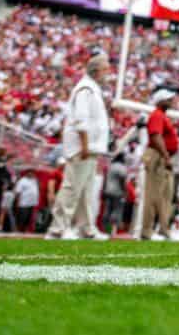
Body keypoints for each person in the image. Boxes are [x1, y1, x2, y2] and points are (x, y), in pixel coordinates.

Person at [48, 54, 110, 240]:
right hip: (83, 148)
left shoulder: (92, 89)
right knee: (72, 188)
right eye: (106, 69)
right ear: (98, 70)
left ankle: (87, 228)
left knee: (86, 192)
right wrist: (84, 146)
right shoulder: (85, 89)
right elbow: (81, 120)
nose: (108, 73)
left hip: (90, 148)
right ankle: (58, 228)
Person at [138, 88, 179, 240]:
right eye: (168, 99)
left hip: (162, 156)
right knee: (153, 195)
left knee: (165, 195)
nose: (171, 101)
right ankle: (147, 231)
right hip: (157, 156)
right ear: (160, 100)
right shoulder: (157, 115)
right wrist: (165, 156)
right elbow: (156, 136)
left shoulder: (162, 116)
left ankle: (163, 228)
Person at [102, 153, 129, 236]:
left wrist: (104, 190)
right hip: (117, 192)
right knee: (117, 211)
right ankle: (113, 232)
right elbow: (122, 179)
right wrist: (125, 191)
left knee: (107, 211)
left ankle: (105, 231)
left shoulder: (111, 166)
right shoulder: (121, 167)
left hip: (108, 190)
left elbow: (105, 178)